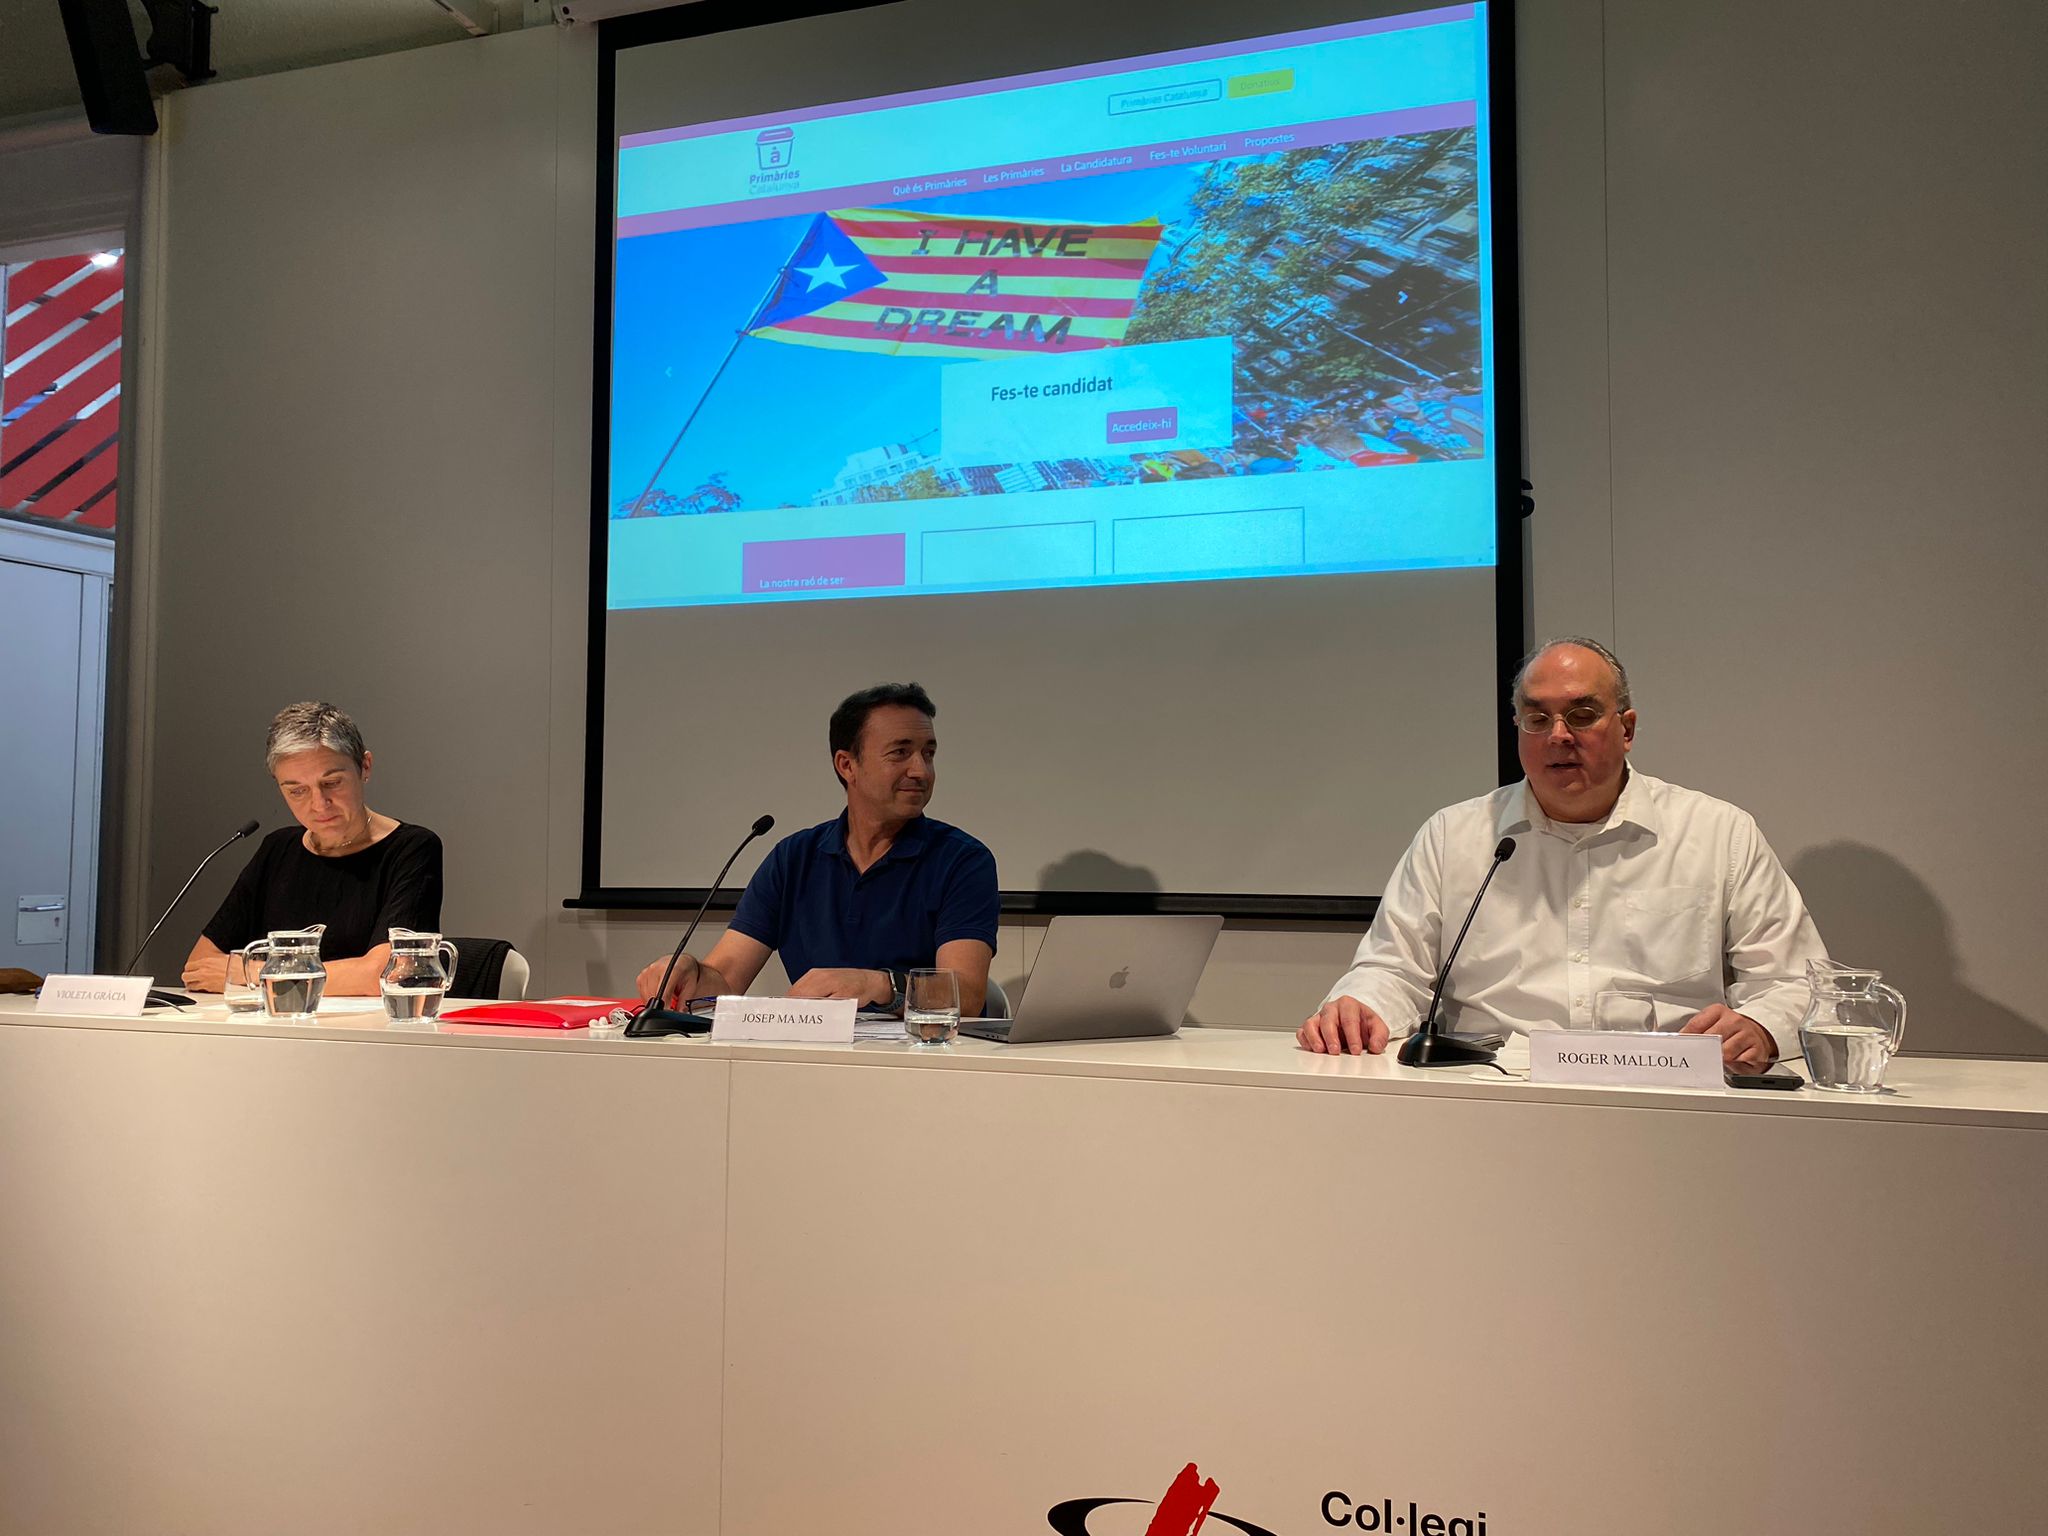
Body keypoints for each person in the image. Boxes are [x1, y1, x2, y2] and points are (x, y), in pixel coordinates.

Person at [1299, 639, 1825, 1072]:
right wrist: (1360, 1006)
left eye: (1582, 714)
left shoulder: (1717, 833)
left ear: (1627, 729)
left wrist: (1760, 1027)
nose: (1558, 736)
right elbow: (1393, 968)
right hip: (1490, 1089)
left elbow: (1795, 982)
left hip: (1666, 1093)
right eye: (1537, 718)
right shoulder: (1453, 835)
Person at [635, 682, 997, 1016]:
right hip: (812, 1061)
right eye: (901, 752)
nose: (921, 770)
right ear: (846, 765)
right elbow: (725, 981)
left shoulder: (962, 860)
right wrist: (690, 971)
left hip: (921, 1068)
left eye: (928, 753)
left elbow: (965, 993)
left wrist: (879, 985)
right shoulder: (794, 858)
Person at [182, 702, 444, 996]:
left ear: (365, 766)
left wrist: (251, 971)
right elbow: (199, 967)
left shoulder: (411, 848)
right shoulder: (278, 849)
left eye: (332, 782)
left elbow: (383, 974)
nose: (319, 804)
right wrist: (330, 976)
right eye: (297, 791)